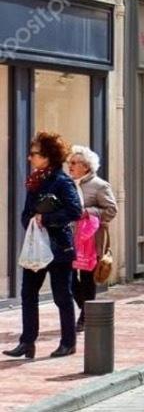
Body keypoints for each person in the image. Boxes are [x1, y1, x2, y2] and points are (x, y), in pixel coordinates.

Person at [4, 132, 83, 359]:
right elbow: (27, 212)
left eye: (34, 154)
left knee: (62, 295)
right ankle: (27, 342)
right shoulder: (36, 180)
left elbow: (75, 211)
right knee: (28, 293)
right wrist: (28, 221)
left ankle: (68, 342)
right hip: (36, 247)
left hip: (58, 247)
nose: (30, 158)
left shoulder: (62, 180)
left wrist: (46, 219)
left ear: (48, 156)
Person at [68, 145, 117, 332]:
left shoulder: (100, 185)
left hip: (91, 239)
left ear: (86, 166)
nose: (70, 166)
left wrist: (87, 212)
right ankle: (87, 310)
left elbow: (111, 210)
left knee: (87, 278)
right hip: (70, 238)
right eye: (69, 163)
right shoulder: (69, 184)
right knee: (69, 278)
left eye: (74, 163)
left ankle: (85, 317)